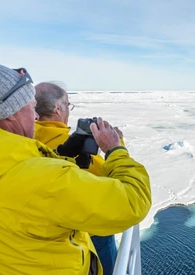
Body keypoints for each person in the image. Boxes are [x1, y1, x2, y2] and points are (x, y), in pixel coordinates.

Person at [0, 53, 151, 274]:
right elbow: (132, 201)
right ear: (10, 113)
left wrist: (64, 154)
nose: (36, 117)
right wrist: (116, 150)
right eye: (31, 108)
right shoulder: (42, 179)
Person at [34, 82, 121, 275]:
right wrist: (116, 147)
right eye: (67, 105)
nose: (69, 111)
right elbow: (114, 186)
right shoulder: (65, 144)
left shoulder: (24, 137)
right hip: (85, 231)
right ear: (57, 109)